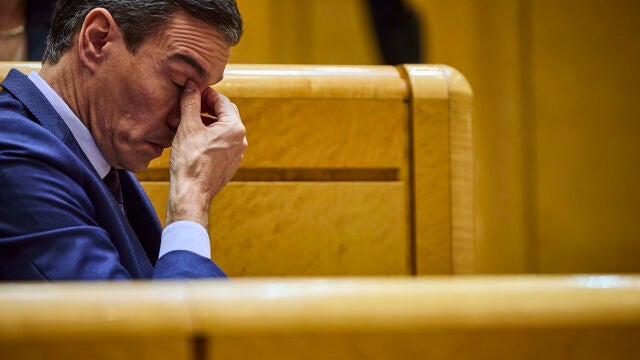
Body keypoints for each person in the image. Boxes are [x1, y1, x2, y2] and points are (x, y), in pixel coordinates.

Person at [0, 0, 247, 280]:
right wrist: (191, 200)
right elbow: (139, 324)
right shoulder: (13, 157)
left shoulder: (97, 157)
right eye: (179, 83)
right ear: (97, 39)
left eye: (201, 95)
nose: (185, 120)